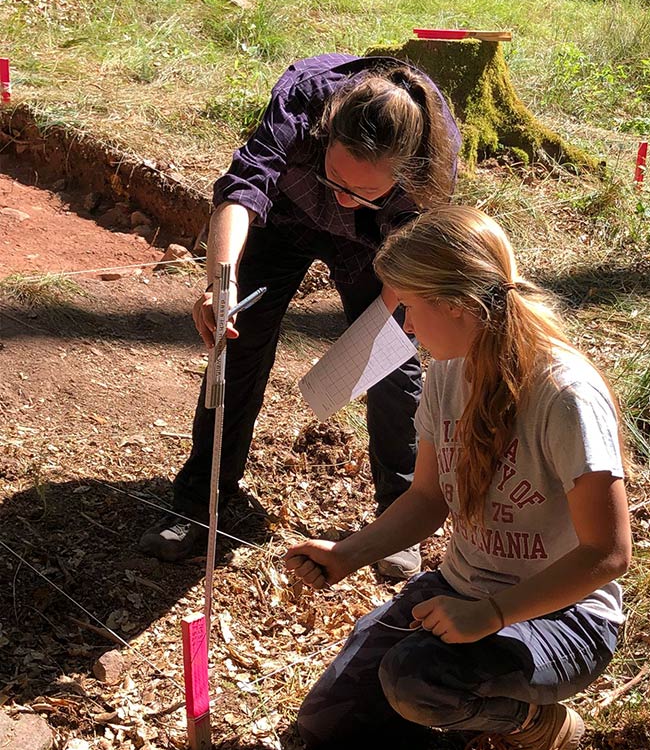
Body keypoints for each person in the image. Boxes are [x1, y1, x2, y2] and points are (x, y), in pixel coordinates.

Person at [285, 205, 631, 750]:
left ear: (459, 305)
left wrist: (491, 615)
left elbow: (607, 554)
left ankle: (536, 726)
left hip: (564, 616)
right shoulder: (448, 369)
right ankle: (462, 714)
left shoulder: (564, 394)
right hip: (461, 591)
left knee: (417, 679)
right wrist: (347, 555)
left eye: (411, 308)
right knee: (327, 730)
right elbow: (428, 497)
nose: (407, 327)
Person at [139, 53, 461, 579]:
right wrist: (221, 285)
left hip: (375, 248)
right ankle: (201, 502)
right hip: (284, 220)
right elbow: (242, 189)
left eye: (364, 191)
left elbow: (414, 253)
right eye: (335, 176)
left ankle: (397, 518)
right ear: (326, 132)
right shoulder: (307, 98)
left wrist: (372, 337)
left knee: (393, 364)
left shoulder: (430, 159)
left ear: (400, 176)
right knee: (237, 341)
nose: (343, 195)